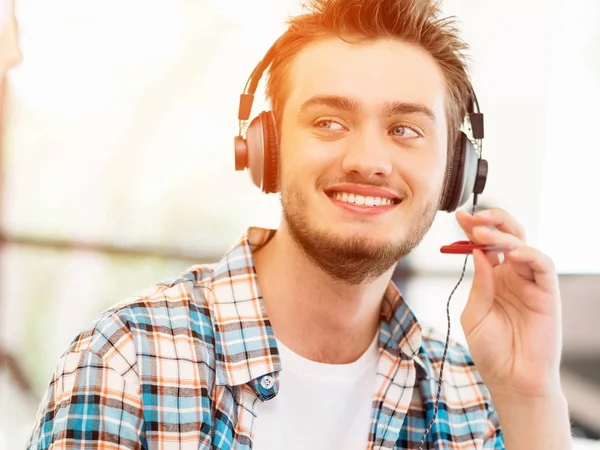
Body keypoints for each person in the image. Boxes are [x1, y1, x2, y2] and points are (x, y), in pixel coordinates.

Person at [28, 0, 573, 448]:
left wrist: (530, 399)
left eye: (406, 129)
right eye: (329, 122)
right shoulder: (128, 361)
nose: (368, 160)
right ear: (266, 149)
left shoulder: (471, 396)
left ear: (456, 170)